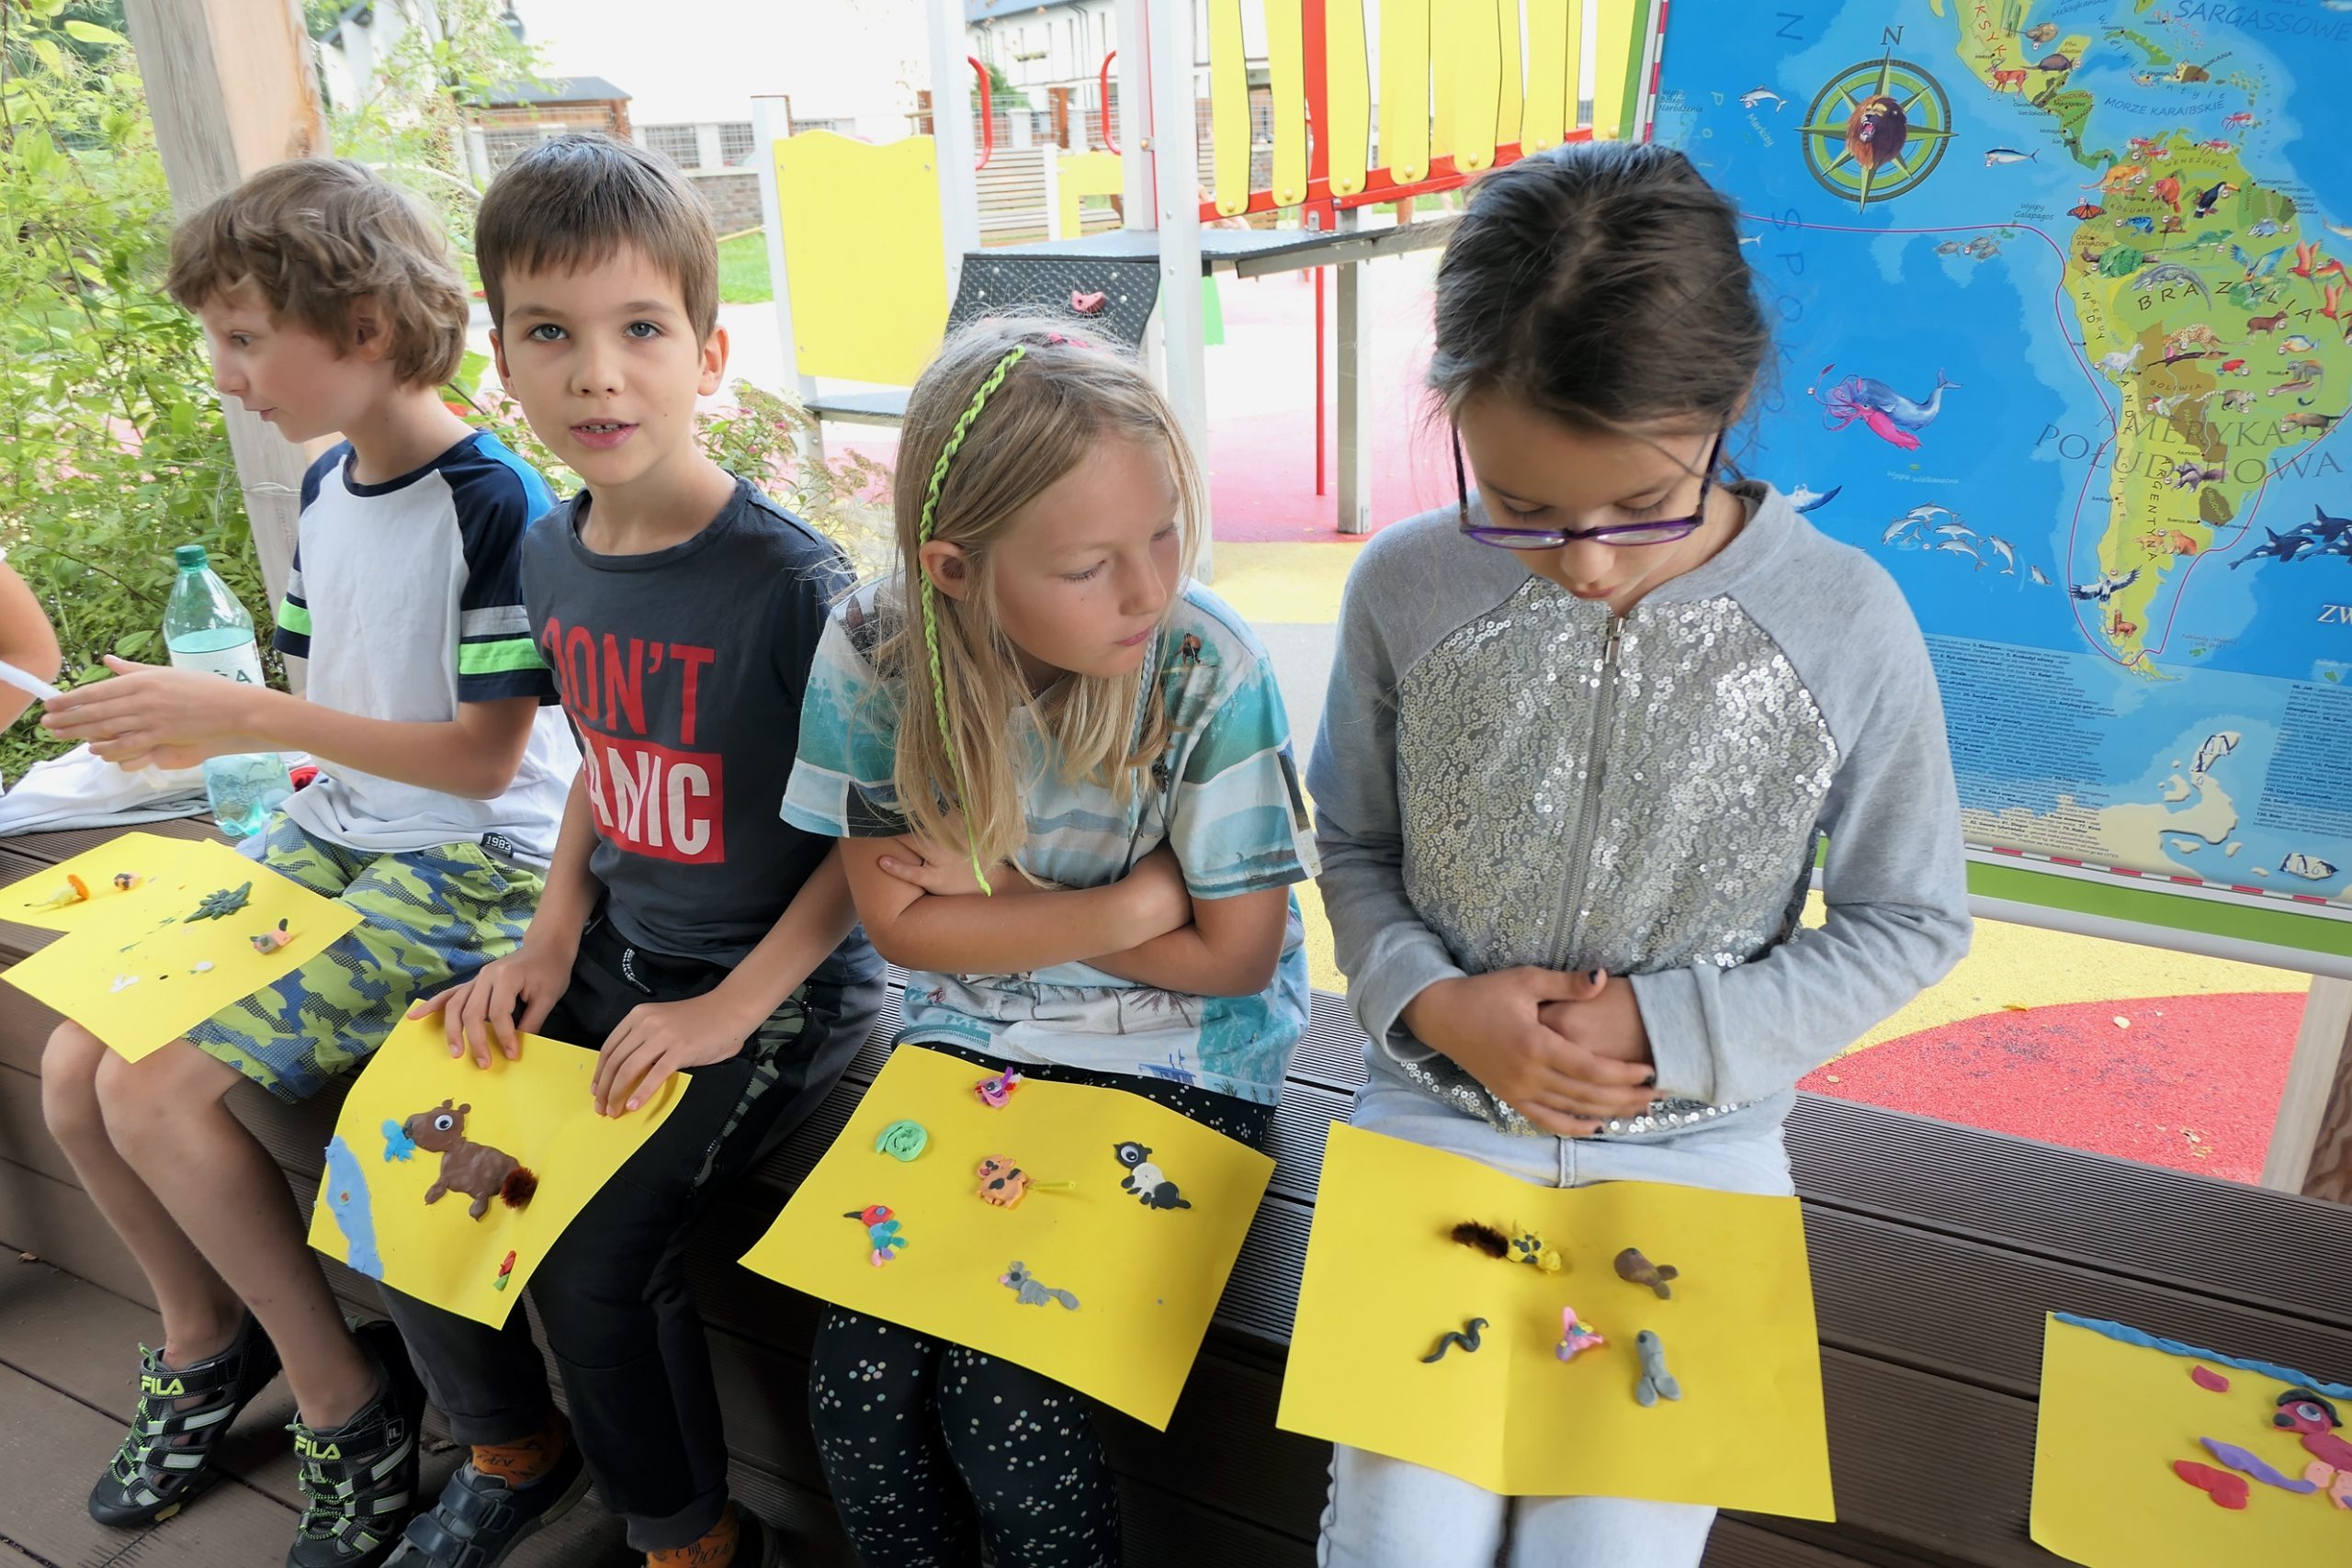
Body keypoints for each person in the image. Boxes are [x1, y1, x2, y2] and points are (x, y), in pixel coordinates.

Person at [1307, 141, 1972, 1567]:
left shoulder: (1847, 618)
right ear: (1453, 411)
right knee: (1399, 1544)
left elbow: (1912, 918)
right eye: (1522, 508)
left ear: (1725, 412)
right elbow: (1353, 841)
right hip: (1438, 1111)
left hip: (1700, 1149)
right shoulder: (1406, 584)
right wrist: (1436, 1003)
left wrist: (1672, 1032)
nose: (1588, 560)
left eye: (1637, 506)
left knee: (1611, 1551)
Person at [37, 158, 573, 1567]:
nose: (224, 374)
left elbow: (483, 760)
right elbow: (321, 696)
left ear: (368, 330)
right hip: (340, 831)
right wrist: (194, 733)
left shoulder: (498, 505)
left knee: (154, 1089)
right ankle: (207, 1340)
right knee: (75, 1064)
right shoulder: (329, 484)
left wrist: (245, 718)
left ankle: (347, 1399)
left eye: (243, 337)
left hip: (472, 868)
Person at [378, 133, 885, 1568]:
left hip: (778, 992)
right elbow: (608, 758)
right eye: (551, 333)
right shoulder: (548, 553)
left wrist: (731, 1007)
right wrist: (549, 940)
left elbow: (873, 844)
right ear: (503, 359)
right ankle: (512, 1446)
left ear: (709, 356)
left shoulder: (793, 585)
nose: (597, 374)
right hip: (618, 953)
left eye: (641, 331)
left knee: (596, 1261)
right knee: (405, 1151)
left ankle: (691, 1540)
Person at [785, 319, 1317, 1568]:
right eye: (1090, 566)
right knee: (857, 1399)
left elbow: (1236, 961)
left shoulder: (1206, 666)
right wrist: (1127, 908)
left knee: (1005, 1402)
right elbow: (904, 930)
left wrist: (1002, 896)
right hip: (967, 1042)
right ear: (955, 569)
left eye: (1167, 535)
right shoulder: (873, 648)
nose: (1149, 591)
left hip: (1187, 1060)